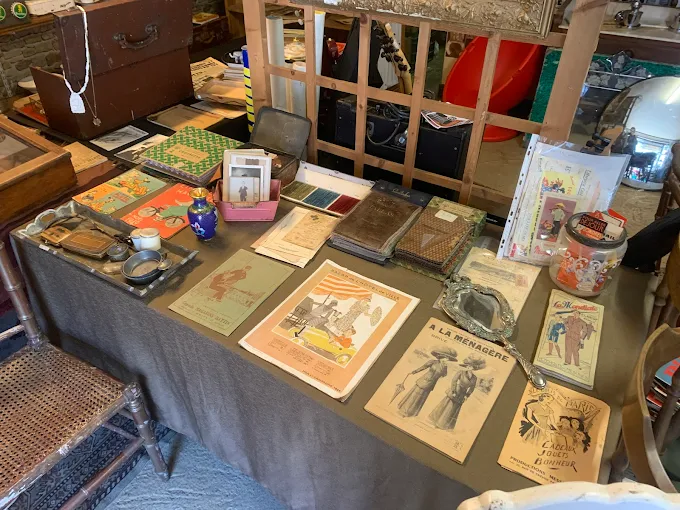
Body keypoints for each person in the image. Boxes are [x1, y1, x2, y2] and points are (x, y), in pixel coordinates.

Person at [429, 355, 486, 430]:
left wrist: (467, 395)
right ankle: (436, 423)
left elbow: (472, 388)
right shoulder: (461, 372)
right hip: (455, 391)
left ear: (473, 368)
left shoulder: (474, 378)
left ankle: (445, 425)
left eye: (470, 366)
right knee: (447, 407)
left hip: (462, 395)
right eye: (468, 366)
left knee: (454, 410)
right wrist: (453, 391)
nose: (468, 367)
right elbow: (454, 381)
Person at [397, 347, 457, 418]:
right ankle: (403, 411)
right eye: (447, 358)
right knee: (413, 396)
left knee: (420, 399)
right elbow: (423, 367)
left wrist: (444, 368)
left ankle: (411, 413)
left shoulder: (444, 367)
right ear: (442, 357)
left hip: (430, 385)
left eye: (448, 359)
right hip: (423, 381)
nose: (447, 360)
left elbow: (444, 375)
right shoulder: (432, 362)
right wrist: (414, 372)